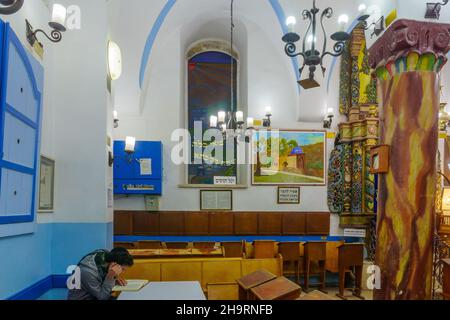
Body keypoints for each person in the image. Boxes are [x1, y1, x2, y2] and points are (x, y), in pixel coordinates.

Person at [67, 247, 134, 300]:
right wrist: (110, 277)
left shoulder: (106, 258)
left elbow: (100, 284)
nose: (122, 272)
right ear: (114, 264)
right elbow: (102, 297)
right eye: (122, 269)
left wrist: (114, 282)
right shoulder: (88, 272)